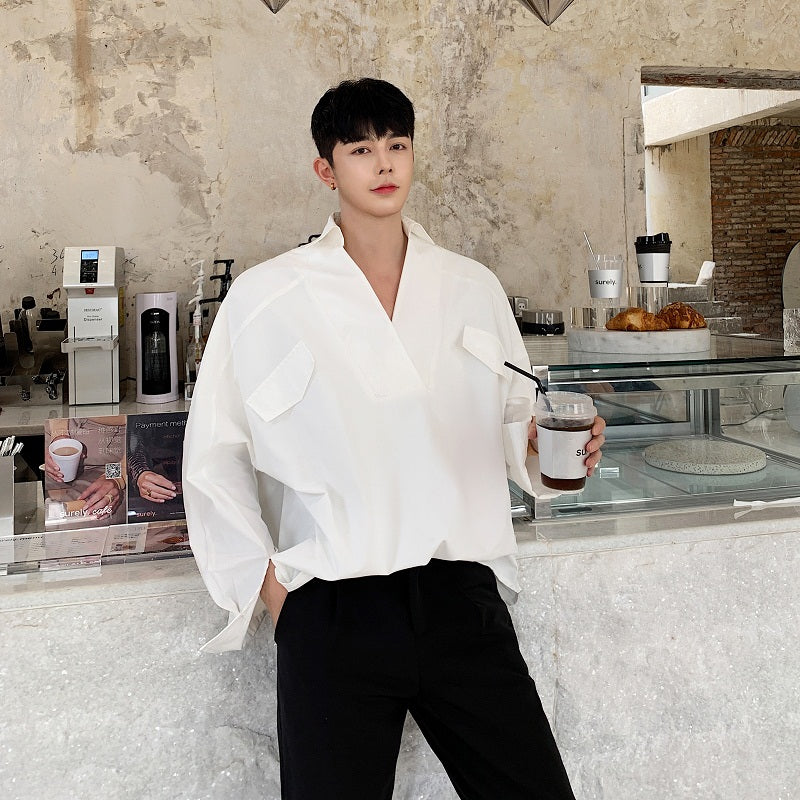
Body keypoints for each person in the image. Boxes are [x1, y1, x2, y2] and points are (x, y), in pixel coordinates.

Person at [183, 77, 605, 800]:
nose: (383, 164)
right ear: (326, 170)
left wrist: (552, 448)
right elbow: (214, 454)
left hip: (459, 597)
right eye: (360, 149)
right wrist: (272, 591)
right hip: (333, 609)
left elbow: (514, 418)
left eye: (397, 145)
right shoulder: (268, 296)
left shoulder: (471, 286)